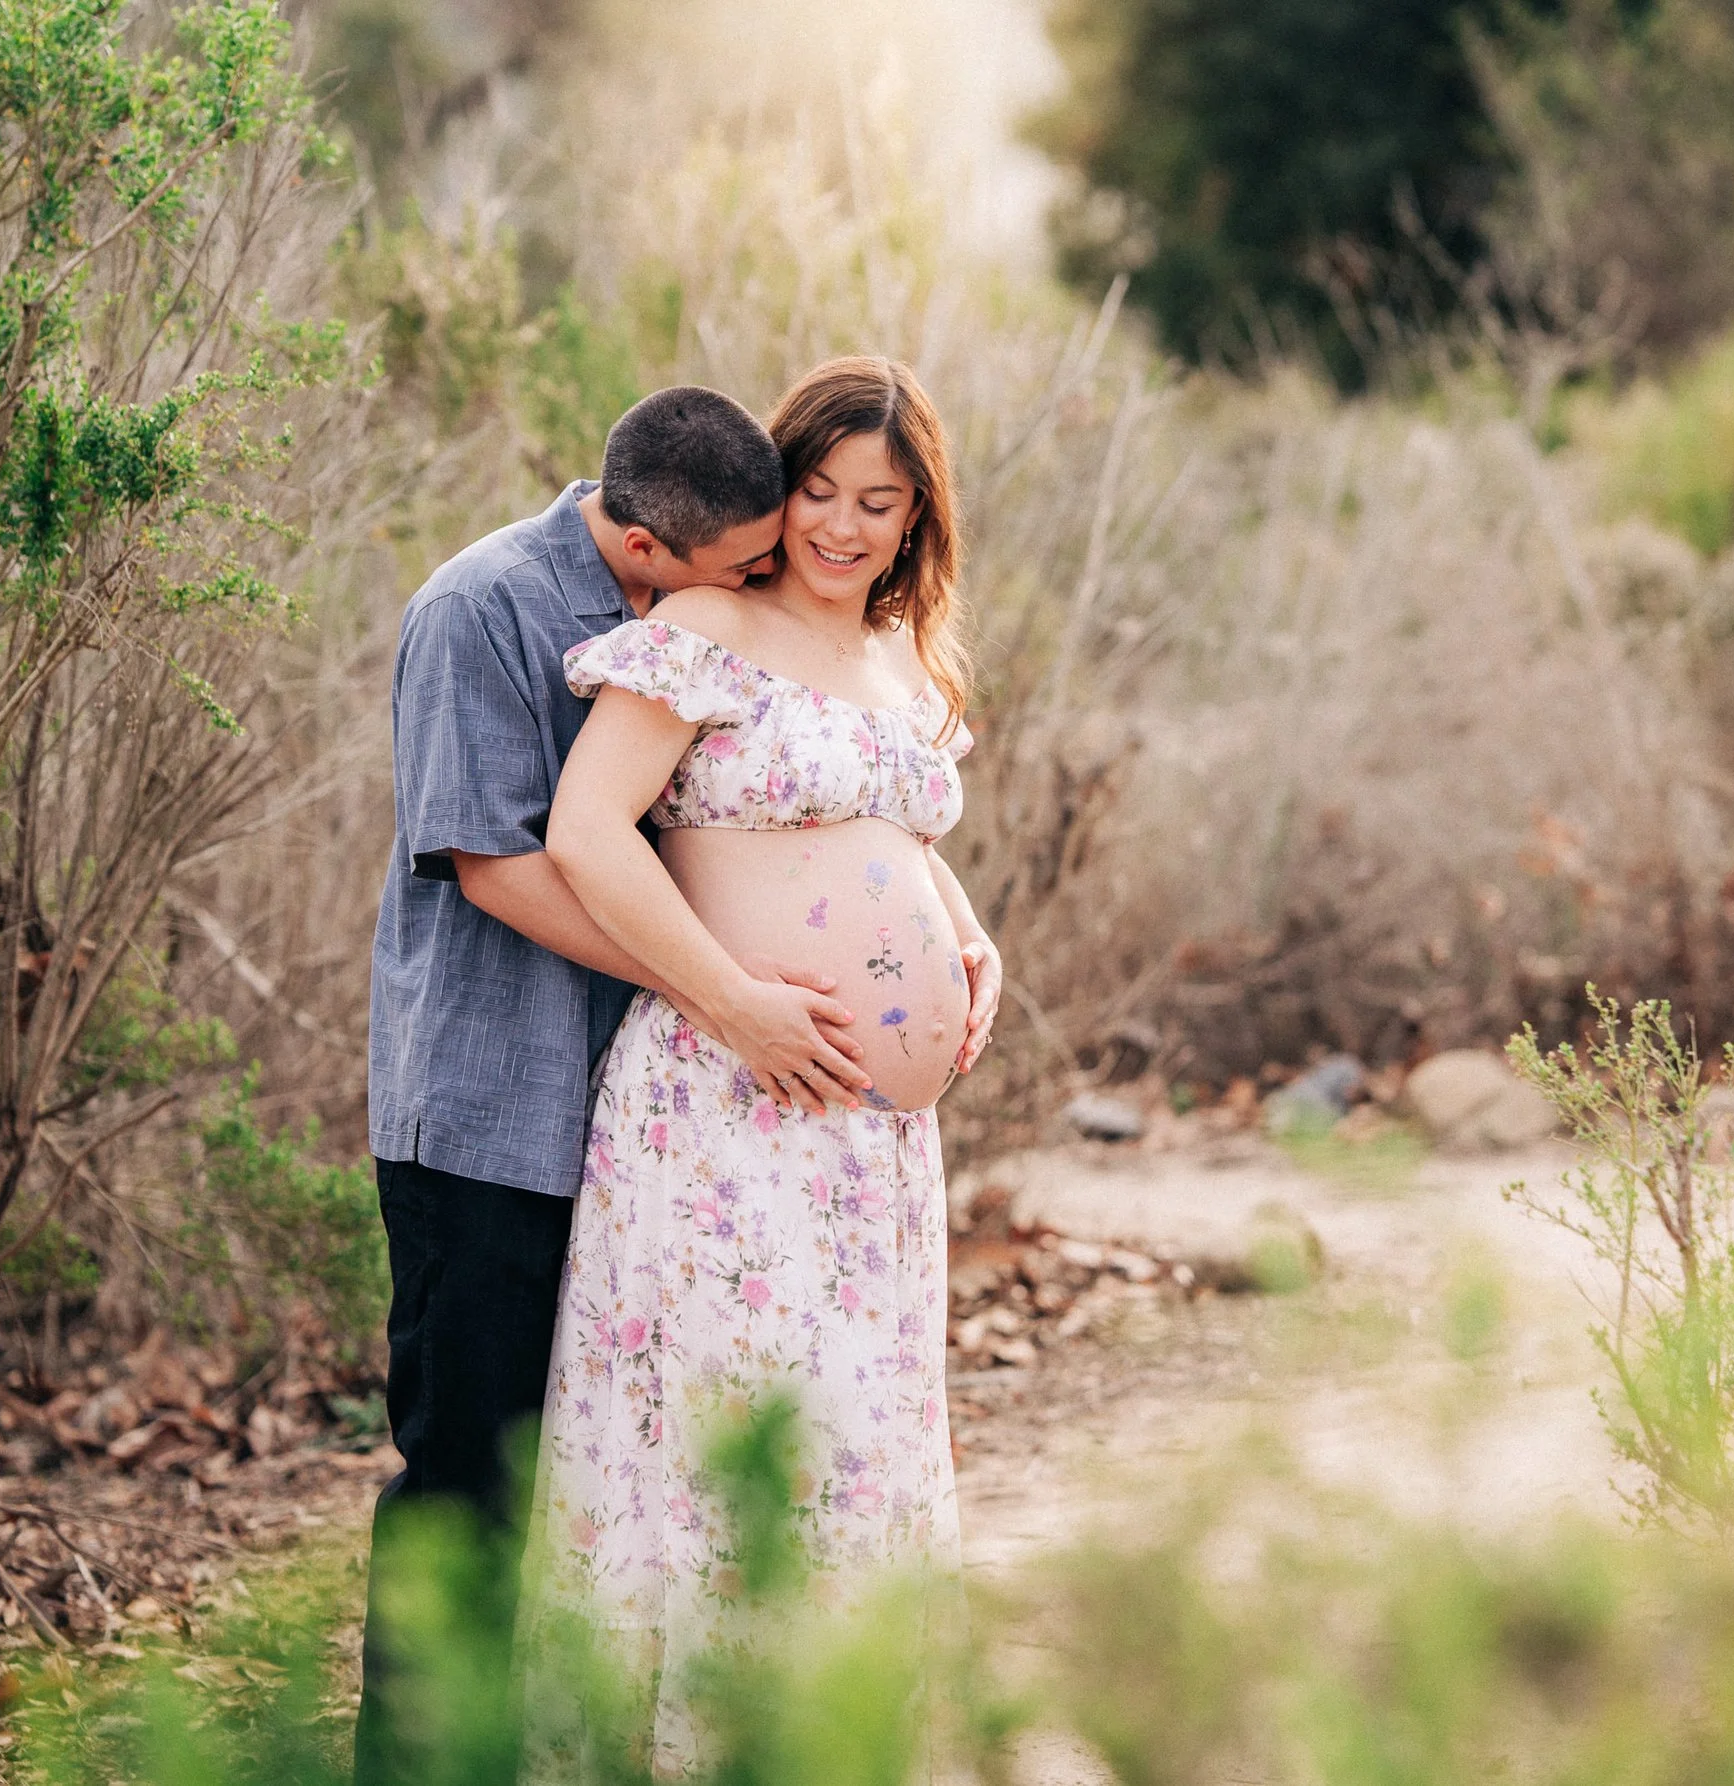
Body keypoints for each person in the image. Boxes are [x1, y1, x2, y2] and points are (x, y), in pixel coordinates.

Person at [357, 387, 871, 1784]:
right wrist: (715, 987)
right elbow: (500, 865)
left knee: (587, 1481)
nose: (758, 586)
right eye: (740, 569)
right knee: (467, 1478)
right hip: (483, 1117)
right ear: (646, 548)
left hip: (628, 1130)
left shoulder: (674, 602)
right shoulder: (477, 613)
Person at [518, 355, 1001, 1778]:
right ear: (776, 488)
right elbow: (587, 830)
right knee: (727, 1448)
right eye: (821, 492)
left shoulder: (907, 659)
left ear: (918, 519)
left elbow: (897, 845)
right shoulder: (708, 625)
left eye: (883, 503)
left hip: (869, 1150)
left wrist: (975, 946)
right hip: (724, 1108)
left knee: (851, 1448)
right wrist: (734, 1004)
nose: (846, 529)